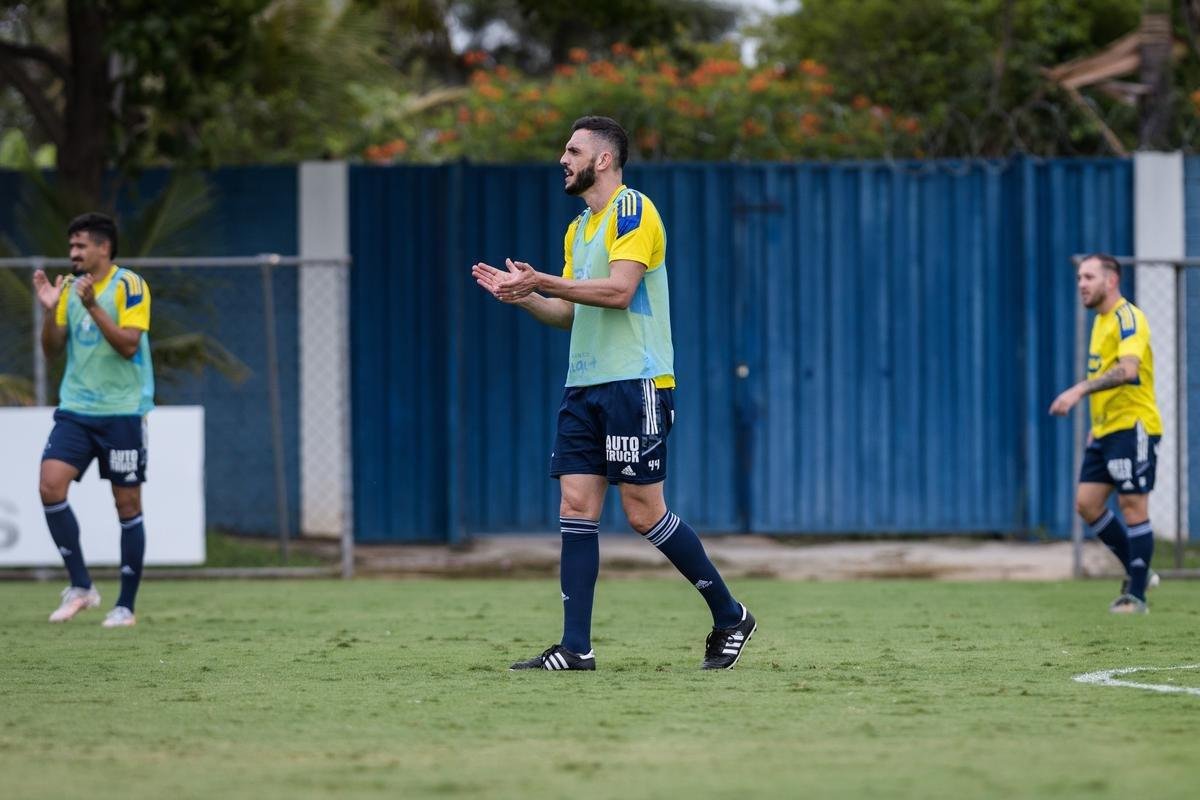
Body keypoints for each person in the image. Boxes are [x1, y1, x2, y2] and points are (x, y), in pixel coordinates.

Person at [472, 116, 756, 670]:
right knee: (575, 506)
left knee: (644, 514)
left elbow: (620, 292)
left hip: (637, 381)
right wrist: (524, 297)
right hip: (584, 383)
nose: (563, 159)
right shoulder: (578, 229)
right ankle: (576, 648)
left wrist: (541, 280)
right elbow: (571, 311)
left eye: (573, 151)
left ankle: (730, 615)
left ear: (603, 160)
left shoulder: (634, 210)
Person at [33, 212, 154, 627]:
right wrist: (51, 310)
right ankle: (82, 586)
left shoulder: (129, 285)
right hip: (76, 411)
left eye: (80, 246)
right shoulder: (68, 288)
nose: (73, 254)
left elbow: (128, 345)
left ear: (104, 247)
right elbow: (52, 351)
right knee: (50, 485)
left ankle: (126, 606)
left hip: (121, 411)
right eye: (71, 247)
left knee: (127, 503)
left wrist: (92, 306)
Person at [1050, 253, 1162, 614]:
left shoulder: (1128, 317)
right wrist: (1095, 428)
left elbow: (1128, 370)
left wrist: (1079, 390)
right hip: (1105, 430)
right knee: (1087, 503)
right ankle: (1139, 569)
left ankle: (1137, 595)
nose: (1081, 283)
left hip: (1133, 426)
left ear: (1111, 280)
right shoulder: (1100, 322)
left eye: (1088, 277)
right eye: (1079, 277)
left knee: (1132, 506)